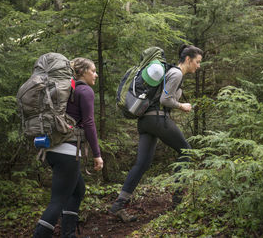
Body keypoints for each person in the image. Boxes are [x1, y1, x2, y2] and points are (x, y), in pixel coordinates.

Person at [109, 45, 203, 222]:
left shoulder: (171, 73)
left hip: (145, 122)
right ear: (188, 59)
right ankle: (178, 202)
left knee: (142, 163)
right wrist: (181, 106)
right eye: (197, 62)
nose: (198, 66)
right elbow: (165, 100)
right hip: (157, 119)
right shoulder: (176, 73)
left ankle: (119, 205)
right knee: (186, 151)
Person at [33, 57, 104, 238]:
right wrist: (97, 154)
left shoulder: (65, 90)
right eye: (93, 70)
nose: (96, 74)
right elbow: (89, 122)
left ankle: (69, 234)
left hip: (52, 150)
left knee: (78, 191)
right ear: (82, 72)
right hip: (68, 152)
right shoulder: (84, 91)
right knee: (57, 201)